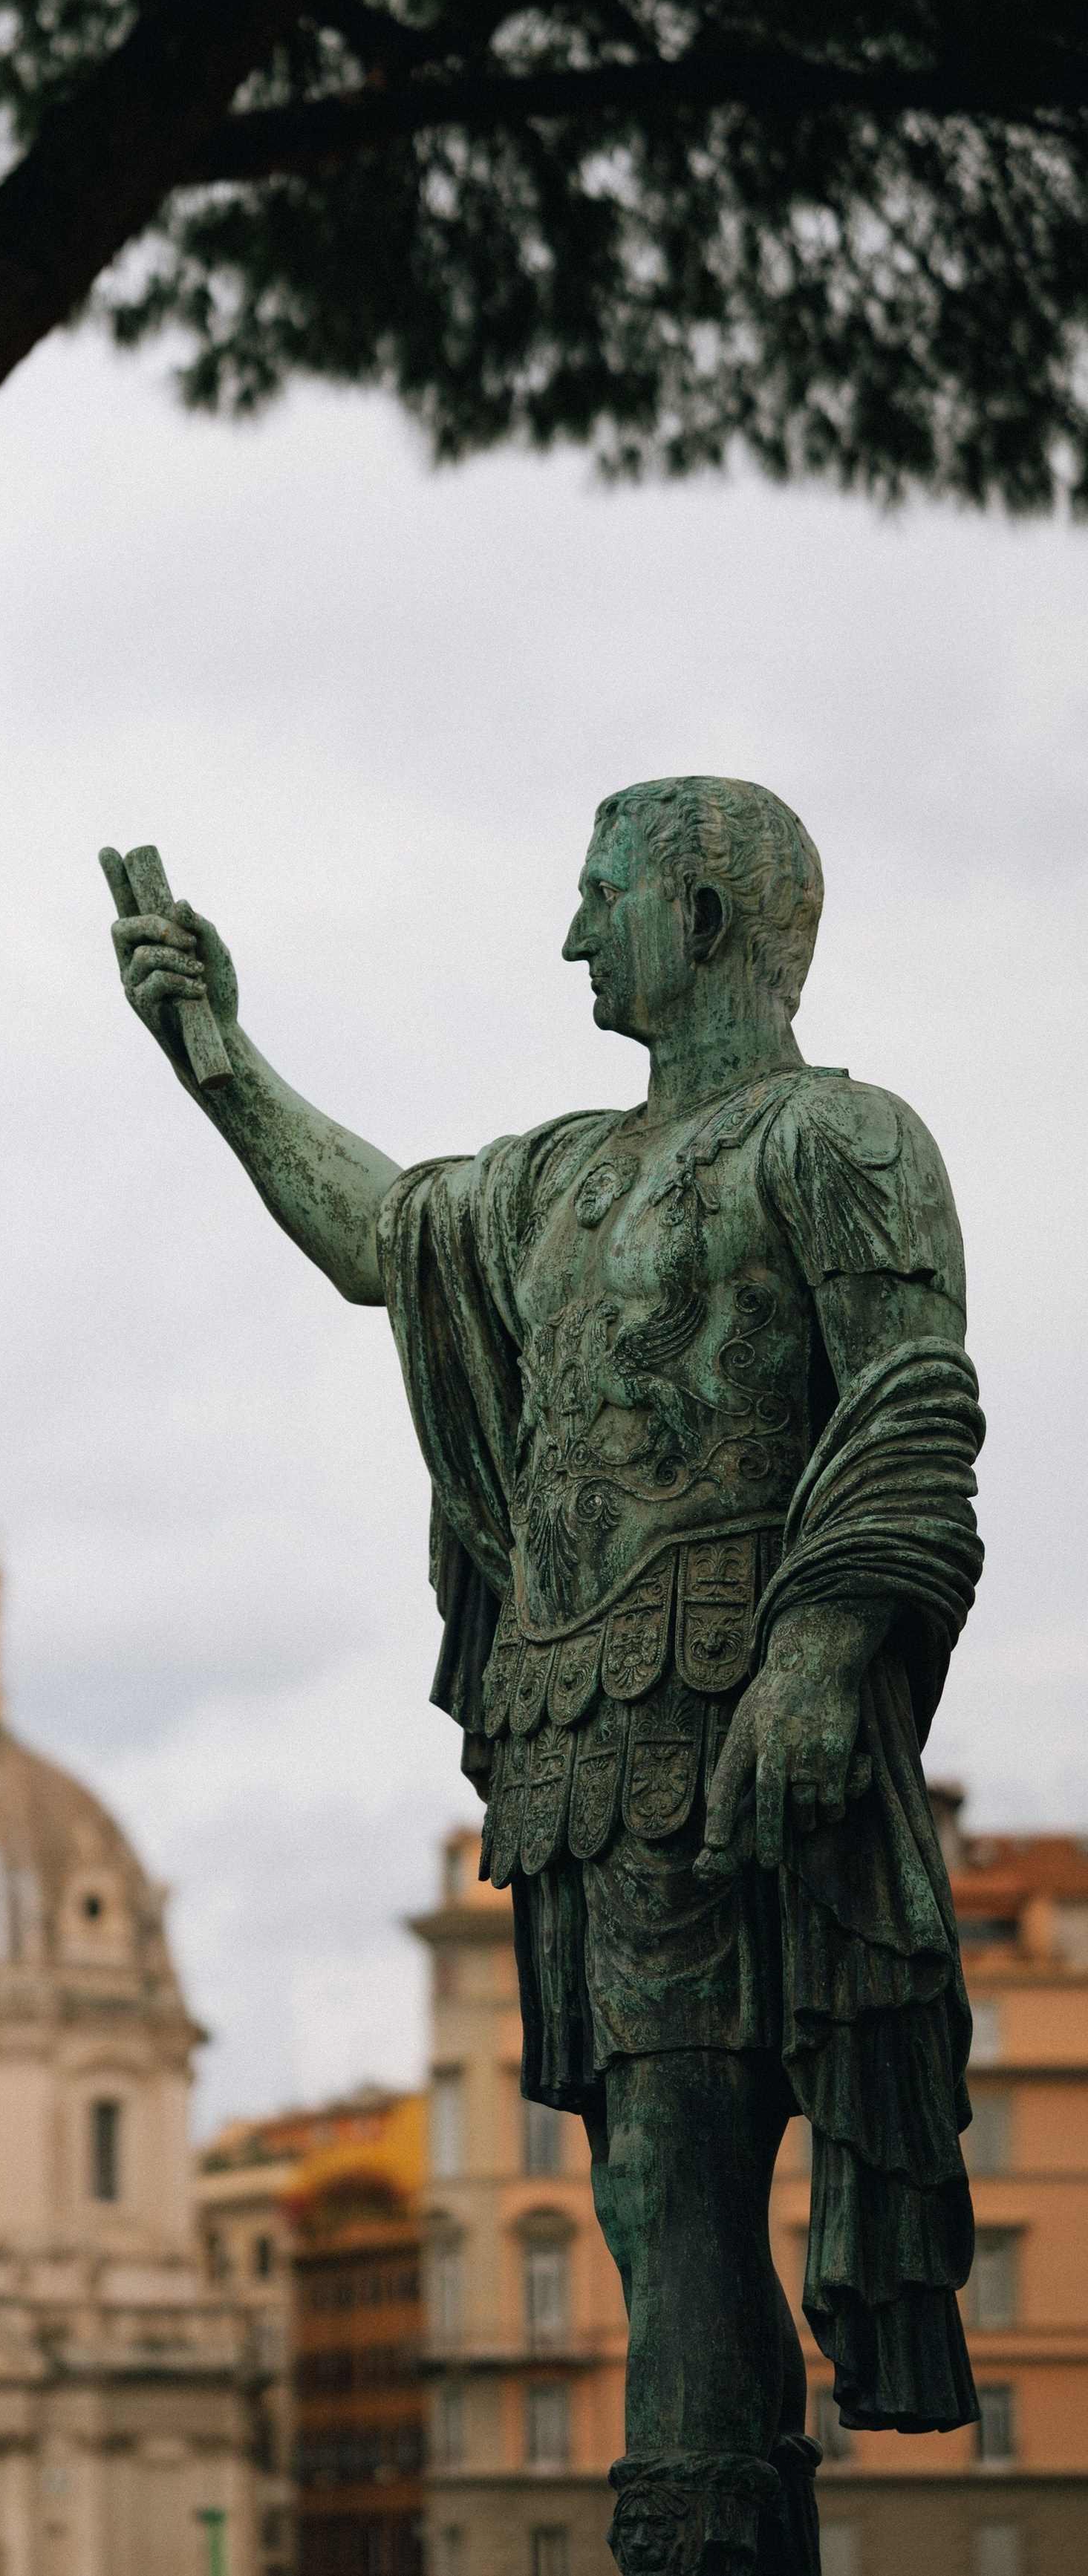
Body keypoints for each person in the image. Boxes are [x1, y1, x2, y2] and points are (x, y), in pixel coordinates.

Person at [105, 779, 983, 2576]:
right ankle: (720, 2520)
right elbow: (385, 1236)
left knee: (673, 2163)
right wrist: (219, 1063)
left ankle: (700, 2538)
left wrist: (819, 1653)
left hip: (745, 1718)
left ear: (709, 923)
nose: (573, 934)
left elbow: (911, 1399)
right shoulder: (557, 1178)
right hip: (586, 1737)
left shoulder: (840, 1138)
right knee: (640, 2181)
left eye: (600, 896)